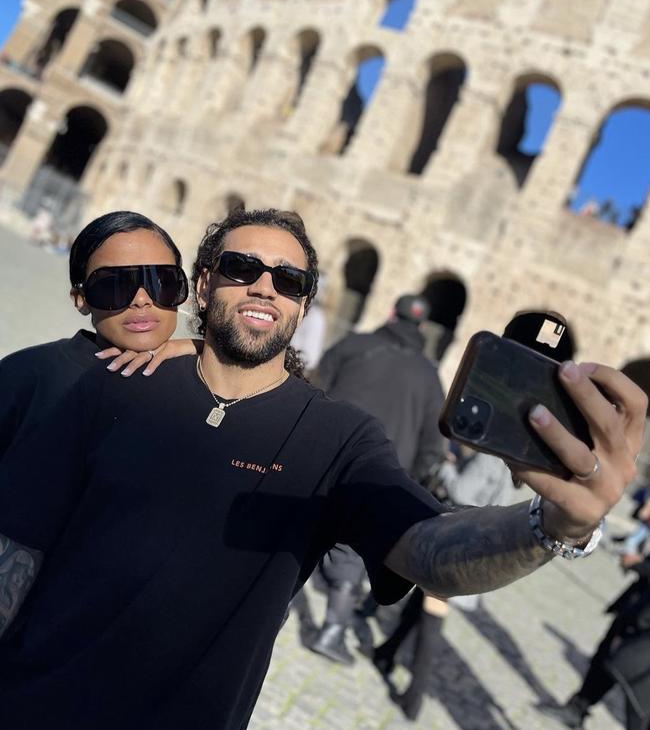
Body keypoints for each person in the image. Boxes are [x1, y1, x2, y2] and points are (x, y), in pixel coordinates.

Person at [0, 207, 645, 730]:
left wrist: (553, 524)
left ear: (304, 306)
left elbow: (429, 550)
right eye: (241, 267)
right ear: (203, 284)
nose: (265, 287)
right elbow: (19, 550)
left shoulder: (340, 438)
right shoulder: (118, 381)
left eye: (290, 280)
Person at [309, 293, 447, 664]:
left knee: (299, 532)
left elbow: (314, 387)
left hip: (324, 456)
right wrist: (407, 481)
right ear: (421, 328)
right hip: (379, 478)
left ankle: (274, 611)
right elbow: (434, 444)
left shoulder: (355, 345)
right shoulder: (429, 378)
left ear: (390, 314)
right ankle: (332, 630)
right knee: (352, 552)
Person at [0, 210, 196, 461]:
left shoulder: (205, 387)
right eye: (114, 285)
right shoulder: (26, 375)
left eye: (161, 281)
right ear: (81, 299)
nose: (141, 300)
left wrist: (199, 348)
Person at [373, 448, 513, 721]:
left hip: (457, 548)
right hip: (471, 548)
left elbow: (461, 491)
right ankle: (387, 652)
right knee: (420, 602)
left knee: (432, 617)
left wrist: (447, 466)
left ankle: (414, 697)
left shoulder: (490, 458)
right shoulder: (506, 461)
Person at [537, 551, 650, 730]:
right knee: (605, 661)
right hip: (637, 609)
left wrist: (640, 566)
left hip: (642, 625)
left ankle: (578, 707)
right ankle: (578, 707)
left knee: (636, 697)